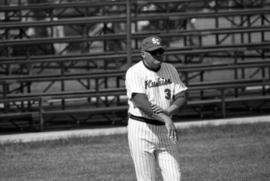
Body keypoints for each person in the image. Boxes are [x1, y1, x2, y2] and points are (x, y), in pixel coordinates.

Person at [125, 35, 188, 181]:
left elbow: (182, 96)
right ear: (143, 54)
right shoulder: (134, 72)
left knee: (175, 177)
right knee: (147, 179)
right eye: (154, 52)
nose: (158, 55)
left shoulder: (170, 69)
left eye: (161, 51)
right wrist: (165, 117)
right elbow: (141, 102)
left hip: (166, 130)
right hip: (142, 129)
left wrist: (169, 112)